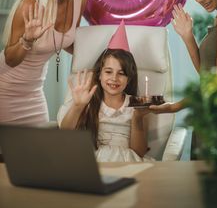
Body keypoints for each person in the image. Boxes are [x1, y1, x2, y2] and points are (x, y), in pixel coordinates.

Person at [0, 0, 90, 125]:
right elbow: (10, 59)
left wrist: (103, 55)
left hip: (33, 91)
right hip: (5, 88)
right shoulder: (30, 3)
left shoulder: (79, 1)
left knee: (38, 150)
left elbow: (67, 43)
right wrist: (27, 40)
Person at [57, 21, 155, 162]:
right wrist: (78, 106)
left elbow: (138, 152)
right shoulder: (87, 99)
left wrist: (137, 117)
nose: (114, 78)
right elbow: (65, 132)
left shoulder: (136, 105)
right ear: (99, 74)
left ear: (129, 78)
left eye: (121, 73)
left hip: (127, 162)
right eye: (108, 72)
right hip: (93, 160)